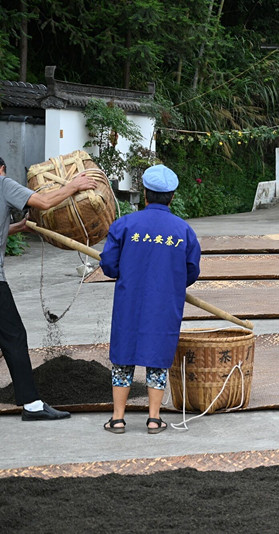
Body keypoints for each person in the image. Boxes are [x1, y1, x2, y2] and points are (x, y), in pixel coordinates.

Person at [99, 165, 201, 434]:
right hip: (165, 305)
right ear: (172, 197)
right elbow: (191, 271)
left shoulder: (124, 226)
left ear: (145, 194)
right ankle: (154, 419)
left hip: (129, 302)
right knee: (157, 357)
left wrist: (132, 272)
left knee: (123, 357)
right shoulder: (183, 231)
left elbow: (109, 265)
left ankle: (118, 418)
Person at [1, 155, 97, 421]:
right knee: (13, 338)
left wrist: (18, 227)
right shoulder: (3, 183)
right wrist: (73, 186)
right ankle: (31, 405)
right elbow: (43, 202)